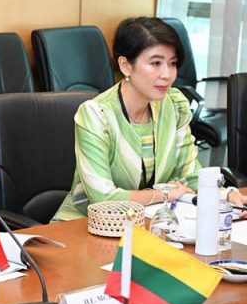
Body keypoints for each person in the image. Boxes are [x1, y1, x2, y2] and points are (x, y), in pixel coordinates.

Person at [53, 17, 245, 222]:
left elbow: (189, 174)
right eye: (156, 63)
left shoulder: (174, 105)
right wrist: (164, 194)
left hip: (145, 224)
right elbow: (103, 199)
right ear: (126, 66)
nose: (167, 75)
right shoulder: (96, 115)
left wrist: (226, 194)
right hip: (83, 226)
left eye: (172, 63)